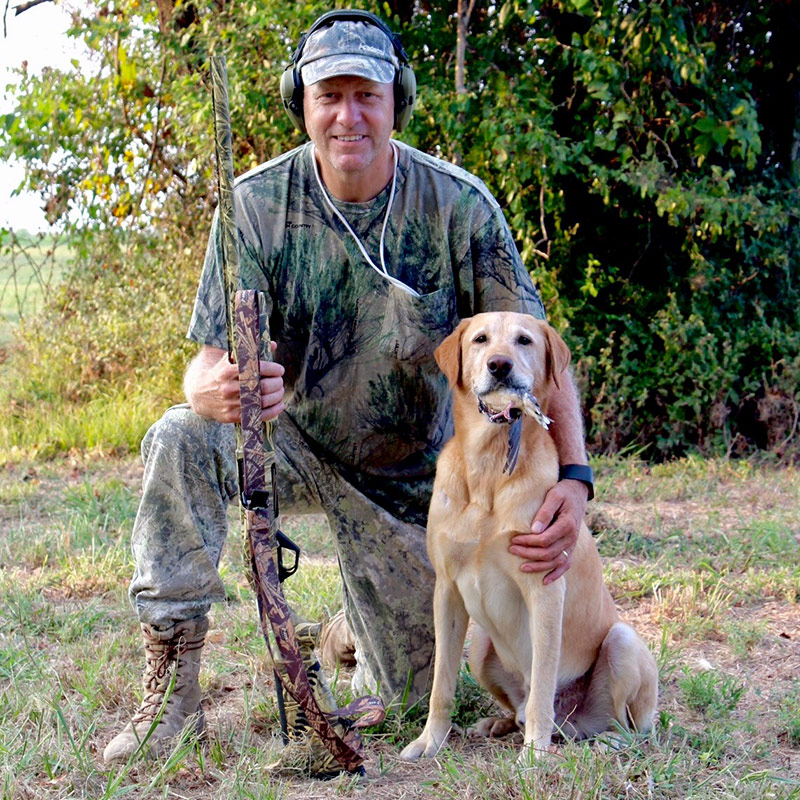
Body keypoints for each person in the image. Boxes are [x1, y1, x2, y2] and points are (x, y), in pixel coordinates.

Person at [103, 10, 592, 765]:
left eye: (367, 93)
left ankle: (341, 631)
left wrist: (578, 479)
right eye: (328, 94)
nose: (348, 114)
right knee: (178, 435)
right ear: (299, 102)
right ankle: (172, 692)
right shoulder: (254, 206)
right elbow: (200, 368)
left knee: (412, 699)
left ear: (398, 99)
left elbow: (538, 354)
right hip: (291, 443)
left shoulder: (459, 206)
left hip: (413, 483)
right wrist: (217, 390)